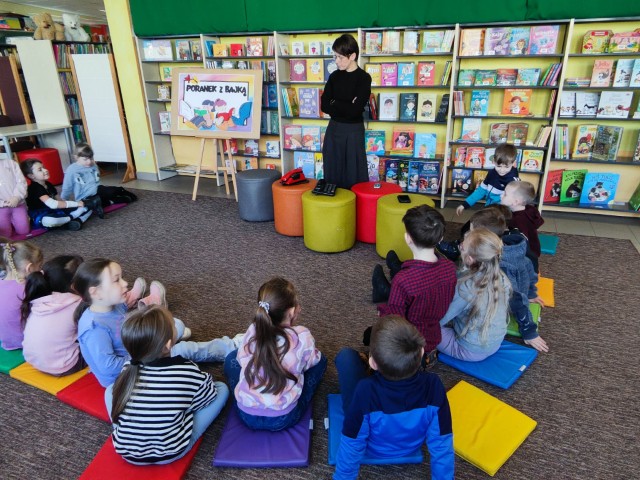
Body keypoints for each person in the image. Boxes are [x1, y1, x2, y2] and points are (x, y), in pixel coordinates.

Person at [73, 258, 239, 387]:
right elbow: (109, 367)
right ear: (96, 292)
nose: (125, 283)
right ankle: (230, 347)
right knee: (183, 348)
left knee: (176, 325)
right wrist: (148, 352)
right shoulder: (94, 329)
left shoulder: (111, 305)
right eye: (117, 280)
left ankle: (167, 336)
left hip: (136, 348)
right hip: (125, 375)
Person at [334, 316, 454, 479]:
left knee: (346, 357)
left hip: (373, 448)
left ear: (373, 363)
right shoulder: (434, 385)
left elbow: (352, 442)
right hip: (411, 447)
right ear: (421, 352)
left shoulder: (365, 390)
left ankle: (374, 364)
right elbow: (442, 443)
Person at [106, 305, 229, 465]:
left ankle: (128, 429)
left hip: (127, 452)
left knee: (111, 390)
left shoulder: (128, 368)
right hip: (171, 451)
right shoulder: (187, 370)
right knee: (221, 389)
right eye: (174, 325)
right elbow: (208, 396)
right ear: (168, 345)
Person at [224, 277, 327, 431]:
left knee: (231, 358)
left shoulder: (253, 330)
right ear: (291, 311)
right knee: (321, 360)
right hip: (283, 418)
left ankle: (248, 395)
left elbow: (240, 358)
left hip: (247, 415)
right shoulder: (302, 336)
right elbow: (312, 361)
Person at [370, 205, 457, 363]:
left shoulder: (403, 280)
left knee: (369, 334)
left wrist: (382, 311)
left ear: (408, 238)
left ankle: (384, 289)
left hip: (410, 343)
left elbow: (396, 320)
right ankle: (395, 271)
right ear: (440, 238)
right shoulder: (450, 267)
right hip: (433, 334)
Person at [469, 208, 549, 352]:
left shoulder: (501, 266)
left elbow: (515, 298)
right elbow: (530, 271)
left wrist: (529, 332)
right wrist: (531, 294)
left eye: (472, 233)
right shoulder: (515, 248)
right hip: (519, 292)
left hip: (507, 304)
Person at [437, 228, 512, 361]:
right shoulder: (501, 277)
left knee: (422, 326)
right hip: (495, 343)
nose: (460, 247)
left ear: (470, 259)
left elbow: (440, 319)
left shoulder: (465, 288)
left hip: (470, 350)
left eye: (462, 247)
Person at [21, 255, 88, 375]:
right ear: (74, 285)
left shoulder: (39, 300)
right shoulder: (78, 304)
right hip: (67, 365)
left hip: (35, 362)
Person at [320, 34, 372, 189]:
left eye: (340, 57)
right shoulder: (334, 77)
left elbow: (355, 111)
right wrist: (347, 104)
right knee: (332, 169)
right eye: (335, 57)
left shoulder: (364, 78)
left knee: (353, 172)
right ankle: (333, 201)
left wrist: (335, 103)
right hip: (334, 129)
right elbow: (324, 105)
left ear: (353, 56)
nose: (336, 61)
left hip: (353, 131)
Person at [61, 143, 138, 218]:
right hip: (84, 197)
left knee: (114, 191)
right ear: (76, 157)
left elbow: (97, 181)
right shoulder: (71, 170)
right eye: (85, 159)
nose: (89, 161)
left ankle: (121, 195)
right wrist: (64, 201)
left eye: (91, 158)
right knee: (97, 200)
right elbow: (67, 187)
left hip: (97, 190)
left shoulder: (93, 165)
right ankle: (112, 201)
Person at [20, 159, 92, 231]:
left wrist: (74, 205)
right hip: (41, 214)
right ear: (31, 176)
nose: (45, 170)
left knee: (88, 206)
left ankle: (73, 221)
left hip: (54, 210)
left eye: (44, 167)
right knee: (50, 220)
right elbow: (53, 204)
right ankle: (73, 217)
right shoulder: (35, 187)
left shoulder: (48, 184)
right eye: (40, 170)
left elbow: (59, 200)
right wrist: (76, 204)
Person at [0, 238, 43, 350]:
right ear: (29, 268)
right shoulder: (27, 288)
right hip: (27, 343)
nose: (40, 270)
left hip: (6, 341)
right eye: (39, 267)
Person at [455, 143, 520, 217]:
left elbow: (513, 203)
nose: (502, 170)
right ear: (493, 161)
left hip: (501, 214)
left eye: (506, 167)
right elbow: (481, 191)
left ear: (513, 163)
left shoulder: (513, 181)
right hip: (489, 209)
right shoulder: (491, 173)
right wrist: (465, 204)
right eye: (499, 166)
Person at [500, 181, 544, 258]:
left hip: (527, 254)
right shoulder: (530, 209)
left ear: (516, 202)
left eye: (505, 194)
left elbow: (519, 240)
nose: (501, 195)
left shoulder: (518, 221)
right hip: (534, 247)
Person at [0, 156, 30, 238]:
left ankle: (14, 221)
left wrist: (17, 197)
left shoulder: (11, 163)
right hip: (1, 207)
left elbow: (21, 182)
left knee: (24, 231)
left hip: (18, 203)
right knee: (5, 235)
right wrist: (2, 203)